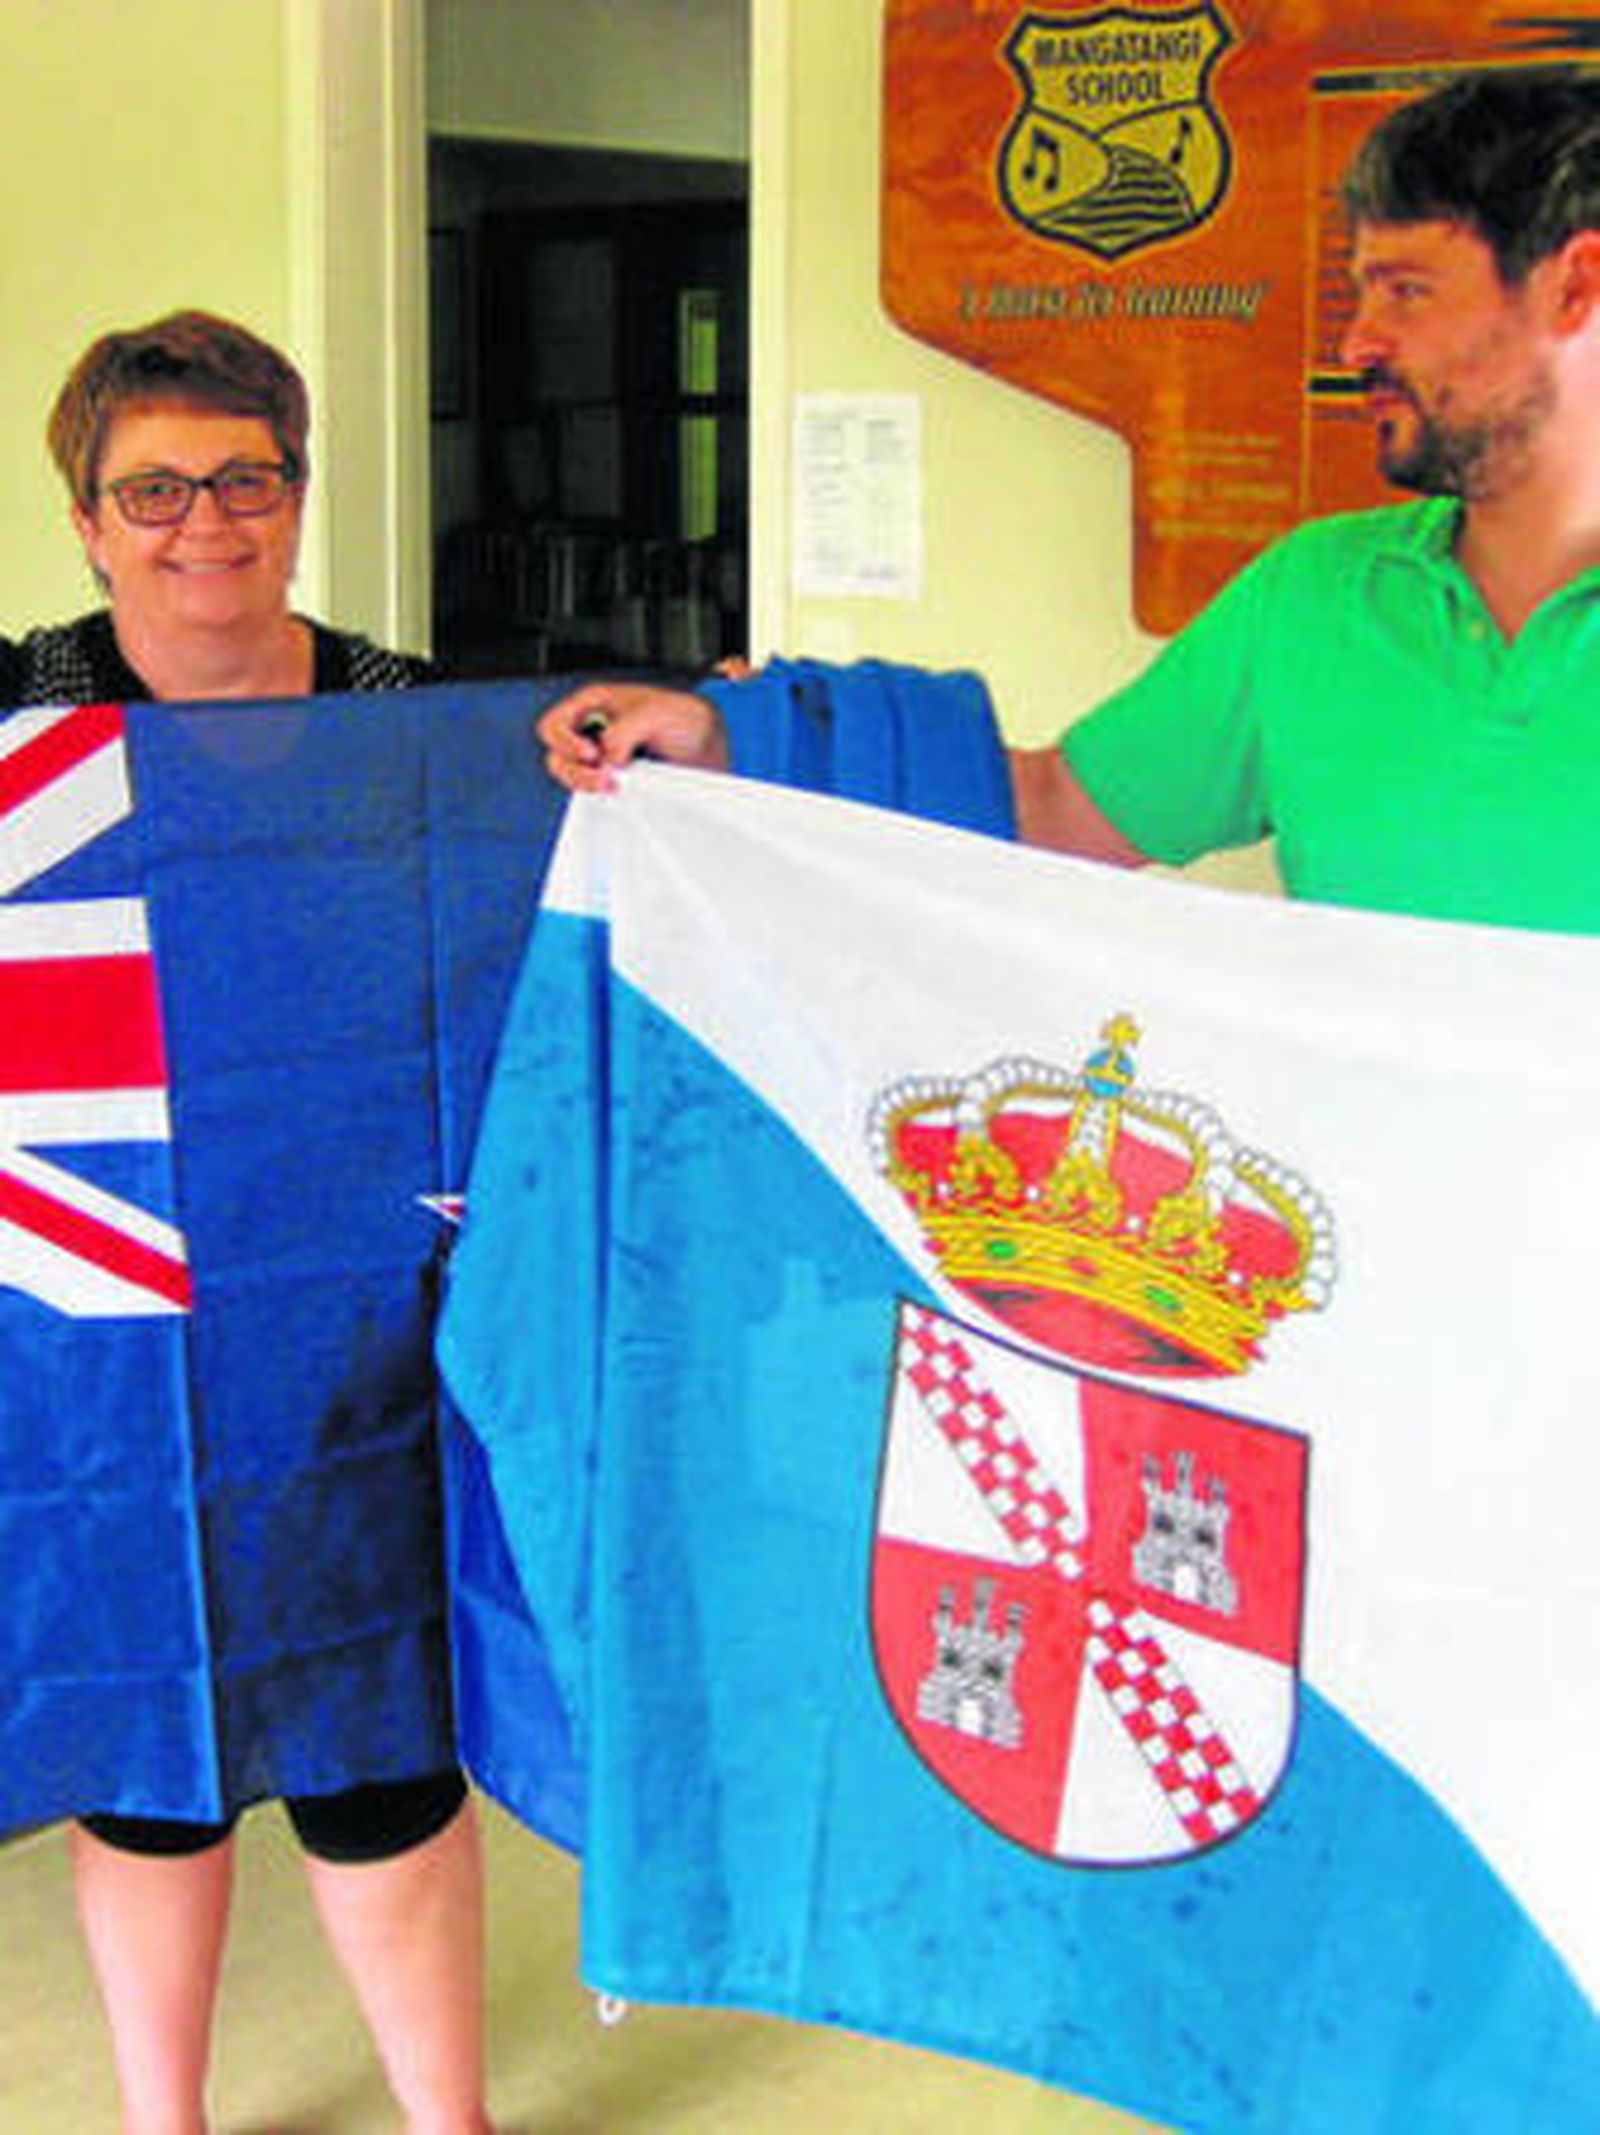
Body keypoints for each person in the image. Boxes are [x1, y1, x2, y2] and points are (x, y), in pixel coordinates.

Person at [536, 66, 1600, 937]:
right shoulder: (1313, 598)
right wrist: (735, 746)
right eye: (1358, 291)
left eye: (1405, 290)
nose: (1356, 340)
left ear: (1574, 285)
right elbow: (1053, 808)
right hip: (1379, 1196)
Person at [2, 311, 495, 2135]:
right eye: (153, 489)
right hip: (94, 1312)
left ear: (297, 493)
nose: (203, 523)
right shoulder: (13, 712)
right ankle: (161, 2121)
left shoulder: (425, 735)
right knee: (152, 1750)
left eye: (245, 479)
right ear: (86, 516)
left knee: (383, 1734)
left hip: (349, 1312)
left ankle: (450, 2117)